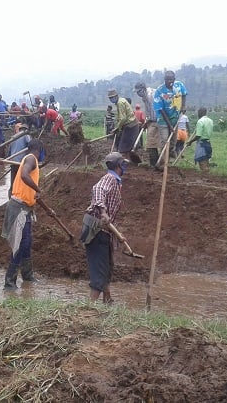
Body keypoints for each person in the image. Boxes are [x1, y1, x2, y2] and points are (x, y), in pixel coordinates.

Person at [80, 152, 128, 303]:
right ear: (120, 166)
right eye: (124, 164)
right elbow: (98, 189)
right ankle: (88, 308)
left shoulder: (116, 181)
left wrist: (117, 235)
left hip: (102, 230)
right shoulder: (110, 179)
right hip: (96, 229)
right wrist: (103, 211)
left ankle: (107, 299)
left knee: (107, 266)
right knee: (100, 270)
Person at [1, 139, 45, 289]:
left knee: (27, 243)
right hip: (19, 208)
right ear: (38, 150)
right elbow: (25, 176)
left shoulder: (28, 159)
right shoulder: (32, 159)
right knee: (21, 243)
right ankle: (10, 281)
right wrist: (38, 189)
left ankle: (27, 276)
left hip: (24, 208)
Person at [153, 70, 188, 167]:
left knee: (173, 141)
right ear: (164, 80)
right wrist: (169, 125)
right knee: (165, 140)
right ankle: (163, 163)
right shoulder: (159, 91)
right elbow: (161, 110)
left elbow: (184, 94)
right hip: (163, 120)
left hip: (175, 118)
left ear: (174, 79)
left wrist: (183, 106)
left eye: (171, 79)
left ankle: (170, 153)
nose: (169, 81)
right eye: (167, 79)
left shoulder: (179, 85)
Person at [108, 89, 140, 161]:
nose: (111, 99)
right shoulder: (121, 101)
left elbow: (123, 118)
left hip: (130, 125)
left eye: (112, 97)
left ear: (116, 96)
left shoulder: (120, 103)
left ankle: (124, 162)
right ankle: (128, 161)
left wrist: (117, 128)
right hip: (131, 125)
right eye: (110, 98)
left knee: (123, 147)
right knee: (126, 147)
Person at [135, 82, 157, 164]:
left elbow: (154, 114)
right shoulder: (145, 97)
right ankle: (154, 163)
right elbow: (148, 112)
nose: (137, 94)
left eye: (138, 92)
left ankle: (155, 164)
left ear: (143, 89)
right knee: (152, 144)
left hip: (157, 121)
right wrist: (146, 122)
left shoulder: (150, 96)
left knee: (151, 144)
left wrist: (147, 122)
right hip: (152, 120)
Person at [187, 107, 213, 172]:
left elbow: (198, 135)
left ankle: (205, 177)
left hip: (201, 144)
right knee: (206, 161)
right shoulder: (210, 121)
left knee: (202, 163)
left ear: (200, 113)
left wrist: (190, 141)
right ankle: (207, 176)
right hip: (208, 143)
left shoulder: (200, 121)